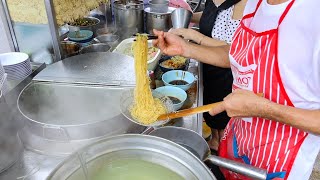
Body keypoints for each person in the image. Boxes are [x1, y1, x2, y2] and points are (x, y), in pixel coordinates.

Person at [153, 0, 320, 179]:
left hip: (278, 162)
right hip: (238, 145)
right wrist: (186, 48)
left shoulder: (313, 15)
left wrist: (264, 109)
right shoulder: (255, 5)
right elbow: (237, 54)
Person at [170, 0, 247, 153]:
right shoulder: (215, 2)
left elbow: (235, 49)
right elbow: (212, 17)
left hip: (228, 75)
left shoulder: (246, 4)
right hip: (209, 67)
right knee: (211, 112)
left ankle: (224, 152)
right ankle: (214, 140)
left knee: (224, 118)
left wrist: (195, 36)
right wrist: (188, 17)